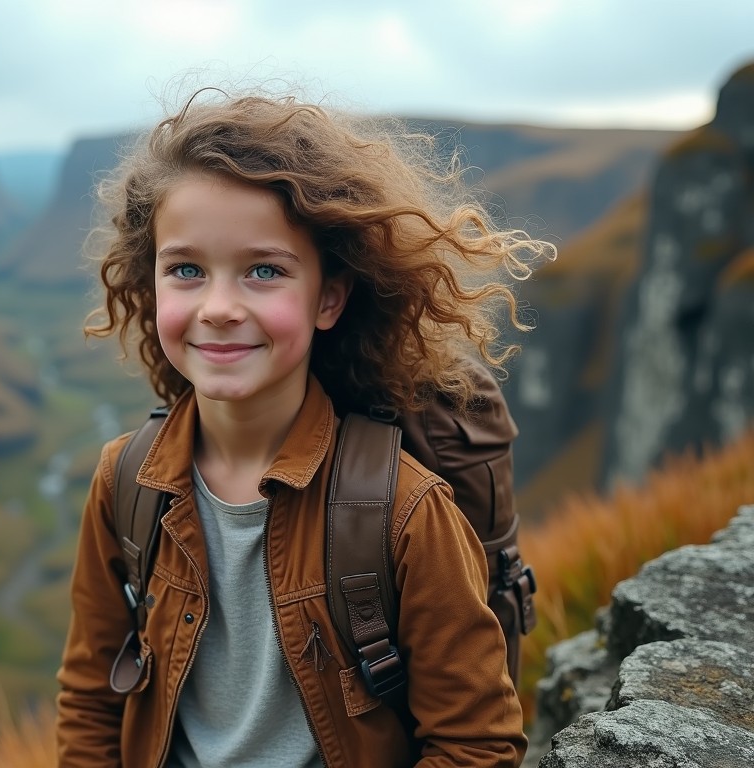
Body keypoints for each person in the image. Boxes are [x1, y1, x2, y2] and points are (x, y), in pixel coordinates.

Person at [56, 88, 552, 768]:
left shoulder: (405, 512)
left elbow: (475, 745)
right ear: (151, 285)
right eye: (187, 270)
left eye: (264, 270)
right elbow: (90, 699)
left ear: (327, 298)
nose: (220, 307)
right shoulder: (126, 481)